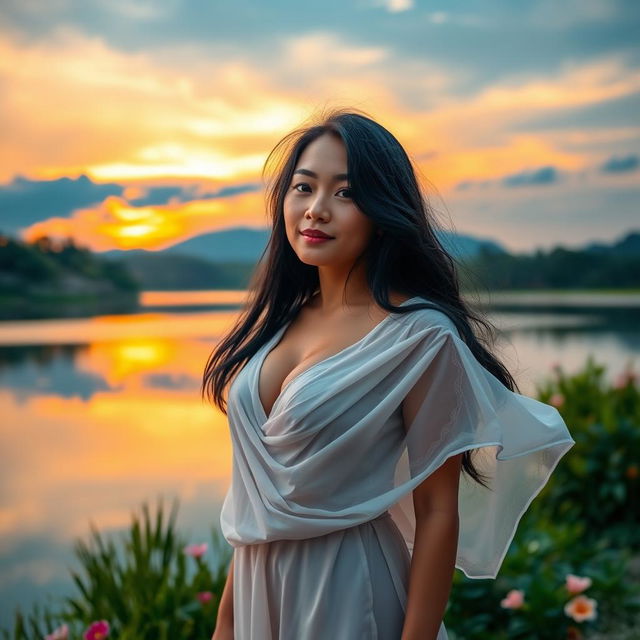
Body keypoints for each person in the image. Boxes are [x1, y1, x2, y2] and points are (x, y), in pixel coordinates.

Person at [202, 107, 575, 640]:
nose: (316, 210)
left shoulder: (420, 336)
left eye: (345, 193)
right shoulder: (281, 321)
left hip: (350, 591)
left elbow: (438, 510)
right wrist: (226, 625)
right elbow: (255, 510)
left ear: (383, 210)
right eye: (303, 188)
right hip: (259, 594)